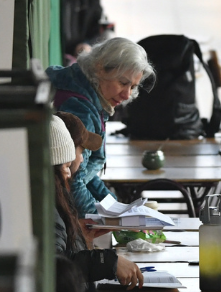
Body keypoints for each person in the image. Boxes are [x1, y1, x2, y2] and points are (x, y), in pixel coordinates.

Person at [48, 114, 152, 292]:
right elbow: (57, 268)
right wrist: (110, 262)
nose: (71, 171)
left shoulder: (56, 199)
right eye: (65, 166)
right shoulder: (47, 206)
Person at [49, 37, 155, 216]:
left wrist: (117, 208)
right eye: (123, 83)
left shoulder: (82, 89)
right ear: (99, 67)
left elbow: (86, 176)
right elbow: (73, 181)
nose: (127, 94)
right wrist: (108, 221)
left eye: (133, 86)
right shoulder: (80, 111)